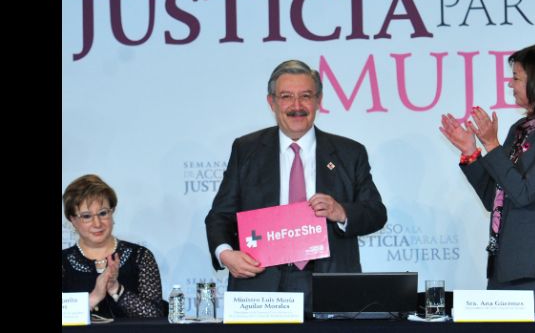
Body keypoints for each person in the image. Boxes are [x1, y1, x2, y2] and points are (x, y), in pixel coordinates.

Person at [205, 59, 387, 312]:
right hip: (260, 285)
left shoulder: (350, 153)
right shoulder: (246, 150)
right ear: (272, 102)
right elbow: (219, 216)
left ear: (318, 101)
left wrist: (342, 212)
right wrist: (226, 254)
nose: (297, 106)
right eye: (286, 96)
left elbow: (376, 213)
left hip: (329, 283)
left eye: (306, 96)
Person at [439, 42, 535, 315]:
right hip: (506, 267)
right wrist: (471, 152)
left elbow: (525, 193)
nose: (510, 84)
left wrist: (492, 145)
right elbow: (495, 197)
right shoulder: (520, 129)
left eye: (516, 77)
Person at [62, 174, 163, 318]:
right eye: (87, 216)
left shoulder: (139, 256)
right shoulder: (64, 263)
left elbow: (156, 316)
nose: (97, 223)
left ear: (112, 212)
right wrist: (94, 298)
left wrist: (116, 289)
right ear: (72, 220)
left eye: (103, 213)